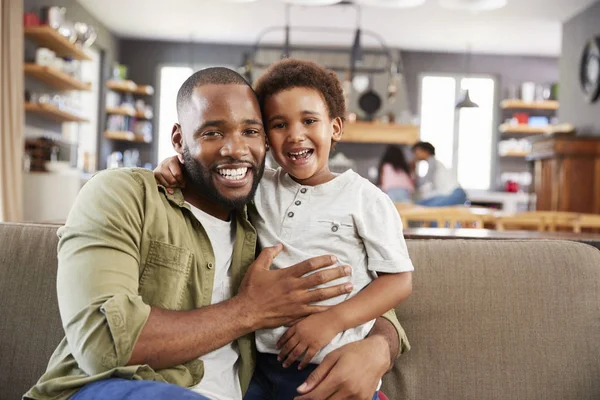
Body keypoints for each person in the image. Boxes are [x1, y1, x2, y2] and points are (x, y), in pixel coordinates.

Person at [25, 67, 407, 400]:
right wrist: (251, 310)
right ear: (179, 140)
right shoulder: (125, 194)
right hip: (119, 387)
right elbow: (101, 343)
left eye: (250, 131)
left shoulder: (258, 211)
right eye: (211, 132)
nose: (234, 149)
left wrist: (377, 347)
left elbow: (364, 281)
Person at [155, 59, 414, 400]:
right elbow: (216, 173)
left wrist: (332, 321)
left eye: (309, 120)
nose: (295, 135)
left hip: (330, 364)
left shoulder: (365, 198)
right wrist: (175, 164)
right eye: (279, 124)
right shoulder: (260, 187)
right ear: (264, 136)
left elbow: (398, 280)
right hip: (262, 366)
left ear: (335, 127)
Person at [412, 141, 468, 207]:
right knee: (420, 204)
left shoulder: (433, 161)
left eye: (416, 151)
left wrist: (413, 180)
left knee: (426, 207)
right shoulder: (434, 162)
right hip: (449, 194)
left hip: (455, 194)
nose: (415, 154)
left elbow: (426, 179)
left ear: (425, 151)